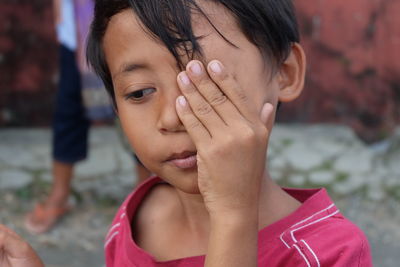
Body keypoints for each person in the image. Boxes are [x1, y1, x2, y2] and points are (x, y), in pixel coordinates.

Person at [3, 0, 373, 266]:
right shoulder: (136, 218)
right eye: (139, 92)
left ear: (284, 73)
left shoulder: (329, 254)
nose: (171, 117)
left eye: (204, 79)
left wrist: (232, 217)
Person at [24, 0, 150, 235]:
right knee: (67, 110)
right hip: (77, 31)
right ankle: (59, 194)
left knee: (138, 103)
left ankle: (143, 192)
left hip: (132, 25)